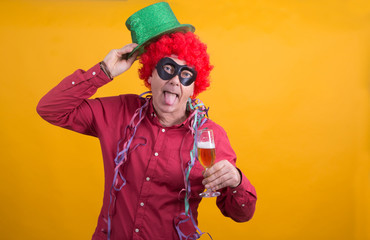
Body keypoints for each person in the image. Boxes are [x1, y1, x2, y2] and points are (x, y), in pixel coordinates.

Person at [37, 2, 256, 240]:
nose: (175, 80)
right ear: (150, 75)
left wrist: (236, 181)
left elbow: (241, 214)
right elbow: (51, 109)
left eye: (185, 75)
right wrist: (104, 71)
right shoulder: (119, 112)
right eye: (166, 69)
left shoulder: (209, 136)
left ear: (194, 87)